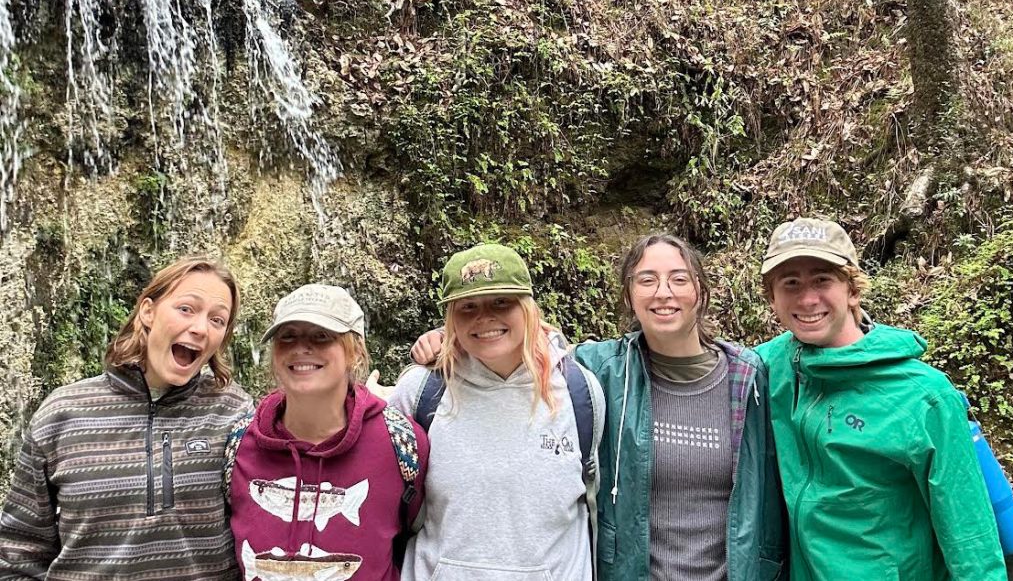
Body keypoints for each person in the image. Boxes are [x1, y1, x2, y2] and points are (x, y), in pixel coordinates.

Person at [409, 235, 787, 581]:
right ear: (628, 294)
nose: (663, 293)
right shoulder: (603, 370)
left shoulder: (750, 378)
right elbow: (529, 346)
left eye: (679, 279)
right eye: (647, 280)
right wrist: (450, 337)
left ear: (701, 291)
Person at [755, 217, 1006, 580]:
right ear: (772, 297)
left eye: (822, 280)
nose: (808, 298)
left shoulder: (924, 397)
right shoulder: (766, 368)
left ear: (852, 289)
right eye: (790, 283)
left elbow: (970, 537)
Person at [0, 256, 252, 580]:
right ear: (148, 311)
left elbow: (268, 527)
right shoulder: (61, 414)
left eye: (218, 320)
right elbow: (17, 555)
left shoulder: (234, 412)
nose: (201, 328)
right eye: (186, 309)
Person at [390, 243, 605, 580]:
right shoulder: (421, 392)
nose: (484, 317)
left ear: (528, 308)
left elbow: (593, 504)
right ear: (450, 318)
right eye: (468, 306)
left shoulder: (580, 392)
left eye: (501, 302)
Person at [227, 283, 428, 581]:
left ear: (356, 352)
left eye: (321, 336)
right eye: (287, 336)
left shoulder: (402, 442)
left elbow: (423, 534)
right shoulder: (240, 442)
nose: (300, 348)